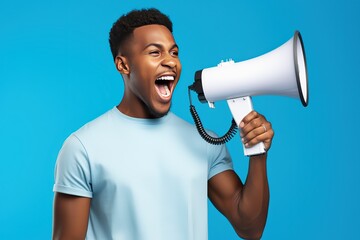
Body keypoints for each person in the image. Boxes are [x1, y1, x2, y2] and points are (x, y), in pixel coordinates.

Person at [52, 8, 274, 240]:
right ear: (123, 65)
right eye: (155, 53)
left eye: (174, 52)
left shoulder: (205, 142)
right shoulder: (82, 148)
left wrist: (257, 152)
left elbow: (250, 227)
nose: (170, 61)